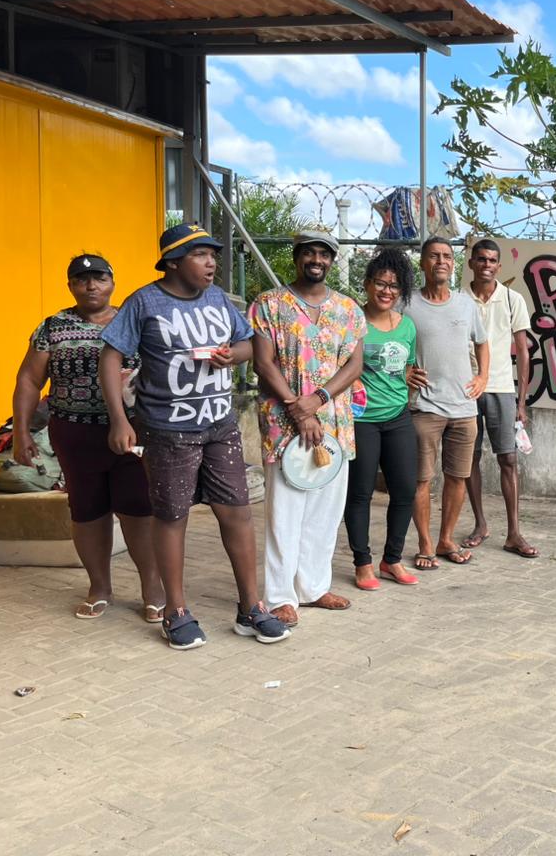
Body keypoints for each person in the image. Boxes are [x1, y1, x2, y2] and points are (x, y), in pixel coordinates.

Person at [99, 224, 290, 649]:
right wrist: (119, 419)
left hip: (220, 426)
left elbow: (247, 345)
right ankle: (176, 611)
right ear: (172, 262)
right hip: (168, 430)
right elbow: (110, 358)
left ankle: (251, 607)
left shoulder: (218, 298)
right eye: (200, 255)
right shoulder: (144, 302)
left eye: (213, 255)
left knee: (237, 512)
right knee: (172, 516)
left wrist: (231, 356)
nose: (211, 263)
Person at [13, 255, 162, 621]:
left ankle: (153, 588)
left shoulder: (134, 321)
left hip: (133, 432)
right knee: (87, 510)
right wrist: (20, 432)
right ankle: (99, 587)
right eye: (81, 279)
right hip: (75, 433)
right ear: (70, 286)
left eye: (99, 278)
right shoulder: (52, 327)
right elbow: (29, 380)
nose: (91, 285)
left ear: (112, 282)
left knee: (138, 509)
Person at [250, 230, 366, 625]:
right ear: (296, 256)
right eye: (309, 253)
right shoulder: (269, 304)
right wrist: (299, 411)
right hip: (285, 424)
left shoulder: (348, 309)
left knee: (325, 511)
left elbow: (354, 364)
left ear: (331, 260)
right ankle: (280, 596)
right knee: (284, 513)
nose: (317, 260)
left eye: (324, 254)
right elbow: (263, 363)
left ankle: (313, 588)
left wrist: (318, 400)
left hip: (334, 423)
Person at [405, 236, 489, 569]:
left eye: (447, 256)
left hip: (464, 407)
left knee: (457, 477)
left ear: (454, 264)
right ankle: (425, 544)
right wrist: (404, 371)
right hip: (424, 407)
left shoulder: (465, 304)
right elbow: (389, 338)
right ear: (422, 263)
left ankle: (446, 539)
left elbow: (482, 342)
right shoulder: (406, 304)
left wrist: (482, 377)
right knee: (421, 480)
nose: (441, 261)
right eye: (434, 256)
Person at [342, 248, 420, 590]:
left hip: (398, 416)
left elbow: (405, 368)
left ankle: (392, 560)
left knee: (405, 490)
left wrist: (410, 378)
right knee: (360, 493)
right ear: (367, 283)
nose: (387, 291)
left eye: (394, 285)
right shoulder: (353, 322)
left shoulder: (408, 327)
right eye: (381, 283)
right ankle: (363, 563)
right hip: (361, 420)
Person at [462, 239, 537, 558]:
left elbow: (523, 351)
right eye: (481, 259)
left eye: (492, 260)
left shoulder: (511, 299)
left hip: (502, 389)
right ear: (471, 263)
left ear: (499, 266)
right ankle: (480, 524)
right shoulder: (458, 300)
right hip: (465, 390)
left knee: (508, 458)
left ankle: (514, 533)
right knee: (469, 458)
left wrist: (521, 402)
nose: (487, 265)